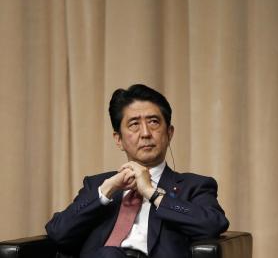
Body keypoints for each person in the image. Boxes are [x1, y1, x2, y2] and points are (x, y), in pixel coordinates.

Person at [46, 84, 229, 258]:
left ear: (169, 133)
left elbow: (213, 225)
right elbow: (58, 232)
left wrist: (152, 193)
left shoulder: (194, 186)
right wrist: (105, 192)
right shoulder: (97, 186)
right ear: (118, 139)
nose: (145, 133)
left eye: (154, 122)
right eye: (134, 124)